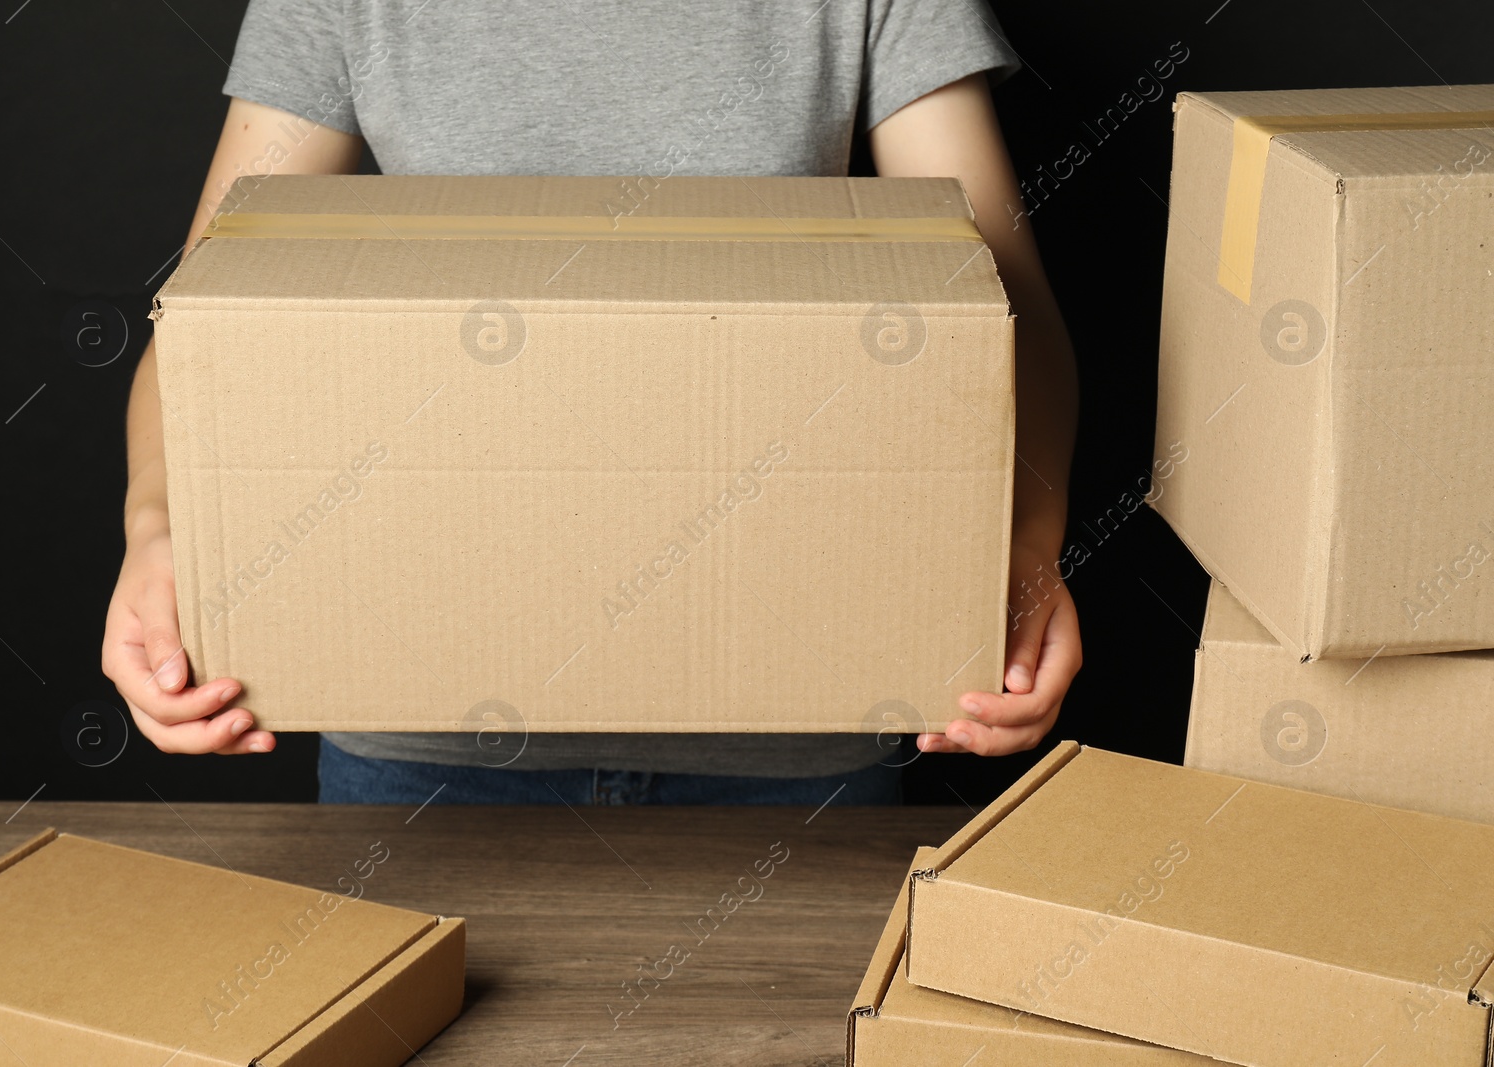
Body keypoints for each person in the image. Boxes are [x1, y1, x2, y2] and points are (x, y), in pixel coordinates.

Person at [102, 0, 1081, 804]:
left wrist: (1028, 545)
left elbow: (1003, 306)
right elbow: (203, 317)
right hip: (426, 738)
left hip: (800, 737)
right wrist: (158, 531)